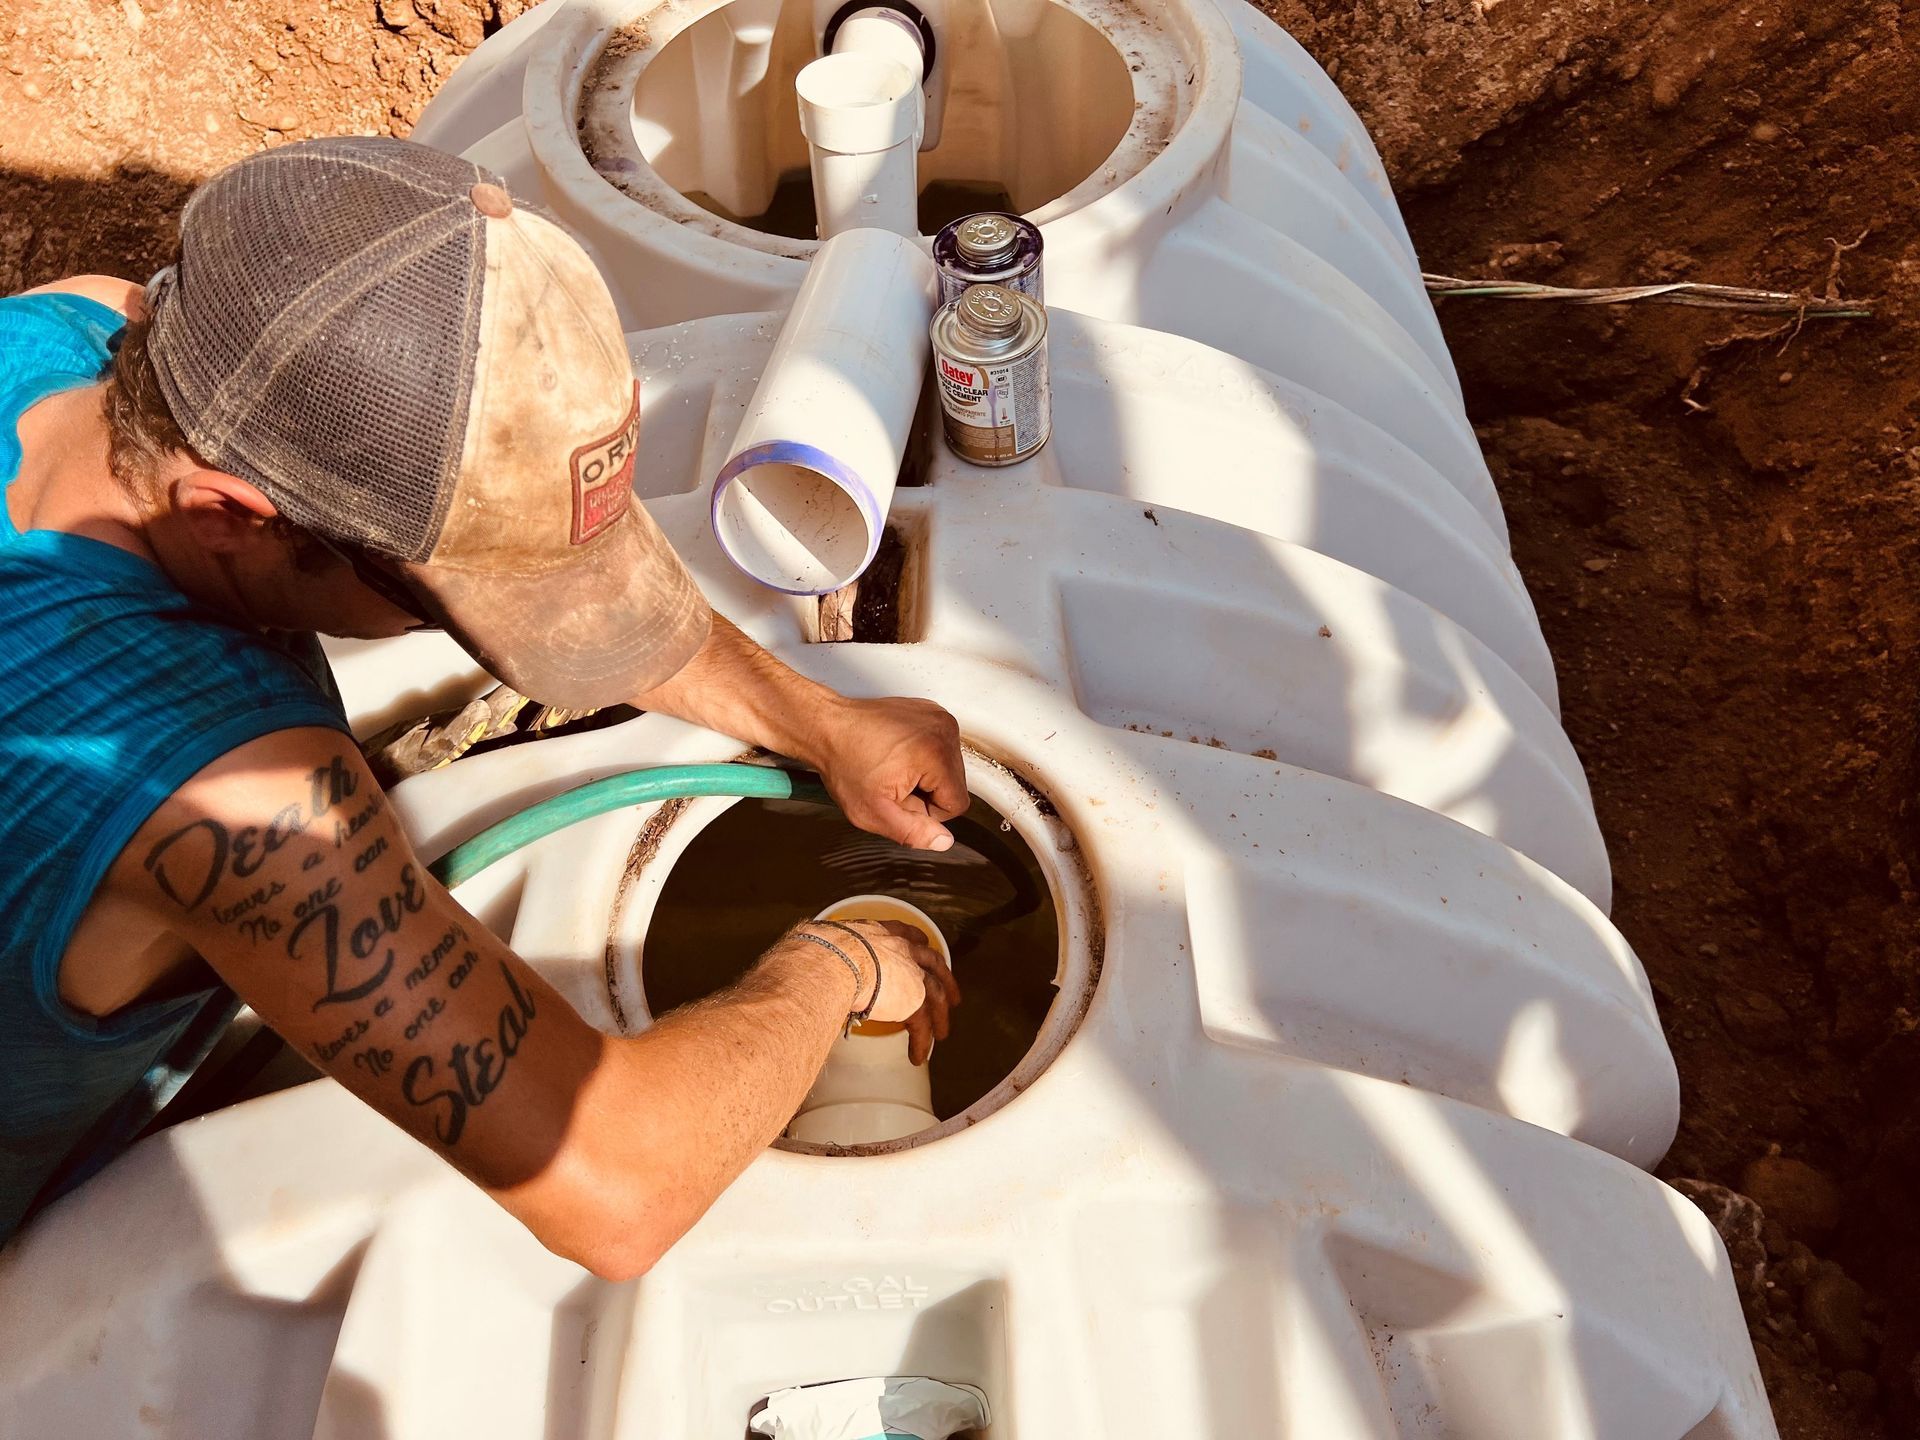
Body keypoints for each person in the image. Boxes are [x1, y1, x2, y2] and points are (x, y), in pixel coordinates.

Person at [0, 136, 965, 1274]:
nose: (469, 630)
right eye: (445, 604)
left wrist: (818, 721)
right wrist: (848, 961)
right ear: (230, 515)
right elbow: (617, 1186)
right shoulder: (234, 801)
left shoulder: (81, 333)